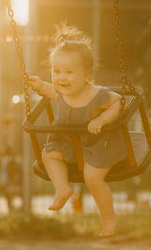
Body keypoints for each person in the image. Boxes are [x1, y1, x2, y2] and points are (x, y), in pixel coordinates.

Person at [28, 24, 127, 238]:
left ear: (87, 75)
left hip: (98, 144)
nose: (61, 78)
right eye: (56, 72)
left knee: (92, 178)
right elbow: (49, 89)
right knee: (48, 155)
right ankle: (62, 188)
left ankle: (108, 217)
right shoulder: (62, 92)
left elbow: (118, 103)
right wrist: (39, 84)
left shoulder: (97, 94)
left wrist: (102, 118)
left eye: (69, 72)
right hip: (70, 143)